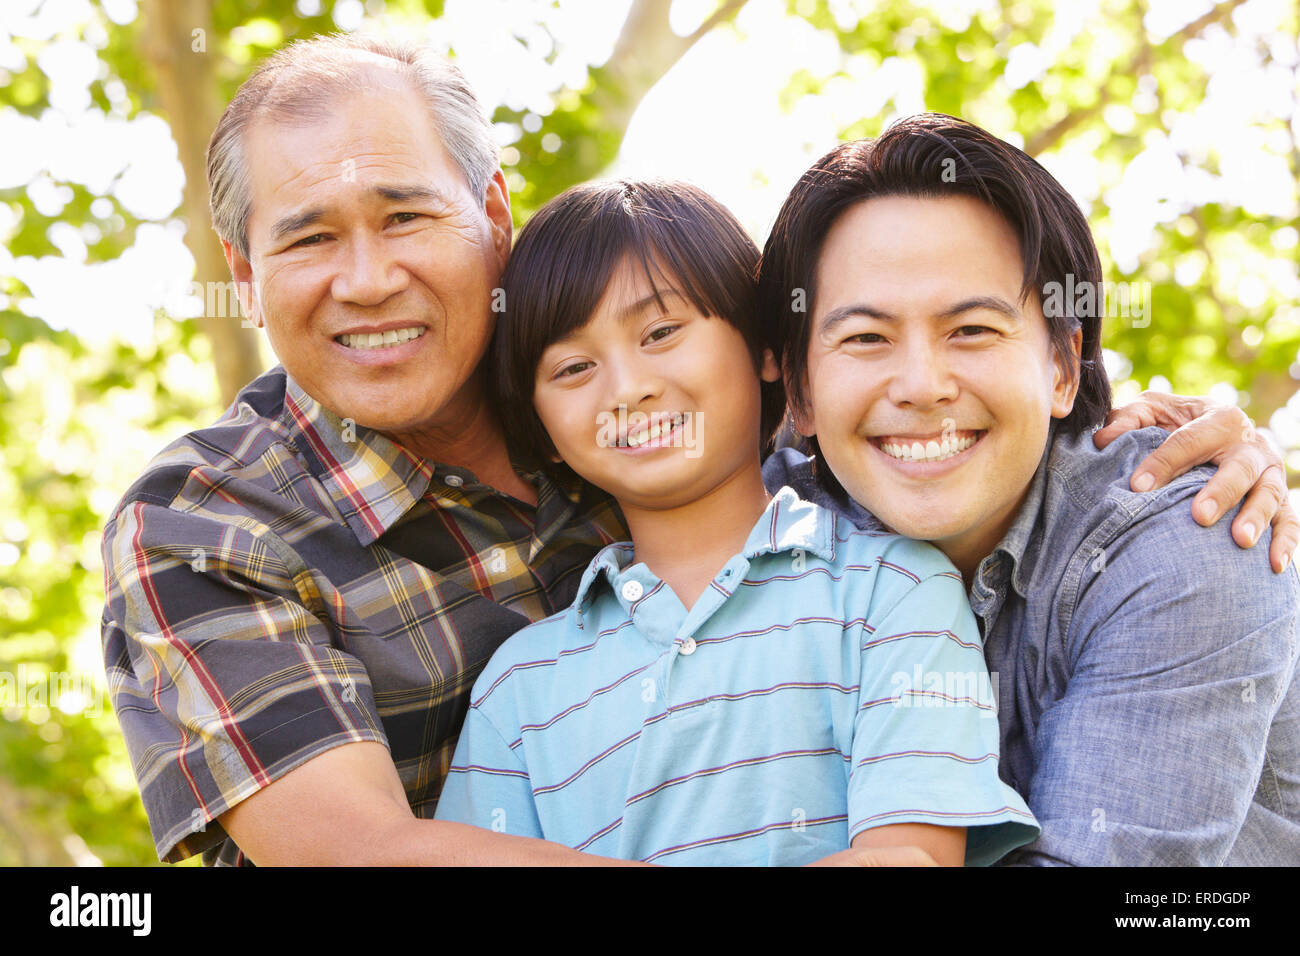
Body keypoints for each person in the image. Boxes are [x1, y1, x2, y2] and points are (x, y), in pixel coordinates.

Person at [99, 32, 1294, 866]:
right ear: (245, 278)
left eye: (408, 213)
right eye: (308, 239)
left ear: (493, 216)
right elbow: (355, 852)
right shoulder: (211, 522)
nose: (369, 277)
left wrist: (1185, 426)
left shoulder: (719, 449)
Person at [433, 179, 1039, 865]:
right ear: (541, 428)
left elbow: (908, 858)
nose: (628, 388)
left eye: (661, 332)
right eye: (573, 368)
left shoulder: (893, 593)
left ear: (766, 350)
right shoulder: (519, 683)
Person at [758, 112, 1300, 864]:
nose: (920, 386)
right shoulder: (761, 529)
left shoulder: (1190, 544)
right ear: (802, 391)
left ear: (1062, 366)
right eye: (865, 338)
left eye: (972, 330)